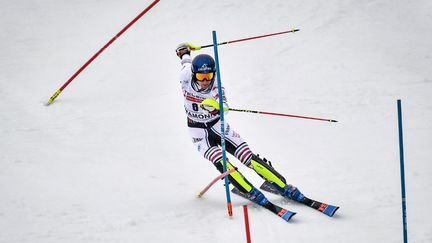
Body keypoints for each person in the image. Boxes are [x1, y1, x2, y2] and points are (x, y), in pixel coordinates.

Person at [175, 43, 305, 206]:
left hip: (217, 126)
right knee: (220, 160)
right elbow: (186, 61)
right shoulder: (185, 76)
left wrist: (219, 108)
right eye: (201, 77)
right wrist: (184, 51)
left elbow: (224, 106)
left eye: (209, 76)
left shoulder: (217, 85)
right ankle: (249, 191)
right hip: (198, 132)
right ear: (194, 75)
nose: (205, 81)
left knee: (246, 156)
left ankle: (282, 186)